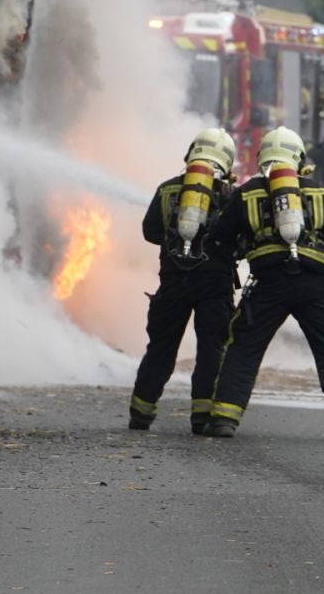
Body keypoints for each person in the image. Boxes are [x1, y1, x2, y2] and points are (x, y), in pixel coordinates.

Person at [202, 126, 324, 443]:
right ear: (298, 158)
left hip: (268, 284)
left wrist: (241, 249)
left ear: (262, 158)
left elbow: (219, 239)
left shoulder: (247, 193)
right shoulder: (317, 192)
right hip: (315, 284)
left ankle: (223, 420)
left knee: (243, 350)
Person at [129, 128, 240, 435]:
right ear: (227, 161)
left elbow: (150, 231)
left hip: (173, 281)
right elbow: (241, 237)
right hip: (215, 284)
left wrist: (174, 239)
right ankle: (201, 417)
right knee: (210, 350)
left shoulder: (167, 190)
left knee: (161, 349)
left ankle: (141, 413)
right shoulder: (231, 196)